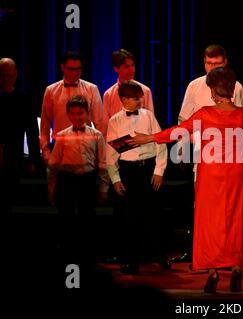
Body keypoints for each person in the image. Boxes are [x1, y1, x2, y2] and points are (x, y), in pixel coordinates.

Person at [128, 67, 243, 293]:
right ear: (232, 90)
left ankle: (213, 270)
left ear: (214, 92)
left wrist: (147, 138)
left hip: (211, 173)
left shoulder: (205, 113)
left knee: (209, 221)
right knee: (236, 217)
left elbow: (177, 131)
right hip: (235, 173)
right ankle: (235, 267)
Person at [173, 44, 243, 264]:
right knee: (202, 206)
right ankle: (201, 252)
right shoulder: (195, 86)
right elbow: (183, 120)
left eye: (216, 64)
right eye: (208, 63)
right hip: (203, 156)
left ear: (225, 63)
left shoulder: (237, 87)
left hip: (229, 157)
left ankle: (230, 255)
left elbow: (242, 123)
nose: (212, 68)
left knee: (229, 208)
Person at [106, 80, 169, 275]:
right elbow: (110, 153)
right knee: (129, 219)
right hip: (128, 172)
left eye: (140, 97)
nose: (140, 100)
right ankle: (131, 261)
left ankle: (160, 256)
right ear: (124, 99)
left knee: (154, 215)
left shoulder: (148, 116)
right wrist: (115, 179)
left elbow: (160, 141)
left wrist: (159, 171)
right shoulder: (114, 121)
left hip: (147, 170)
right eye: (136, 98)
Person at [47, 95, 109, 269]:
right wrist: (51, 187)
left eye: (80, 113)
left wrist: (103, 188)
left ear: (87, 113)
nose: (77, 117)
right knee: (66, 219)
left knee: (87, 219)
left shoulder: (97, 136)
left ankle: (87, 259)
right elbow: (53, 164)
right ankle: (67, 257)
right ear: (68, 115)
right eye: (73, 114)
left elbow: (103, 163)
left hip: (87, 181)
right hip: (67, 181)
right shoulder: (62, 135)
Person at [40, 51, 106, 164]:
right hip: (60, 146)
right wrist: (46, 153)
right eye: (71, 69)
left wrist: (101, 153)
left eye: (78, 69)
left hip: (86, 146)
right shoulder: (51, 91)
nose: (75, 73)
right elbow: (45, 125)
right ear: (63, 67)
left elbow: (100, 123)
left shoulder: (92, 89)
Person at [0, 57, 40, 214]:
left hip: (13, 155)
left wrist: (33, 159)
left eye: (9, 75)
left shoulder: (24, 100)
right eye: (2, 75)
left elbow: (32, 131)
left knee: (10, 198)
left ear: (15, 75)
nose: (6, 79)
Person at [103, 48, 154, 121]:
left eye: (132, 65)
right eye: (126, 67)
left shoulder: (145, 91)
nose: (131, 70)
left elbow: (151, 120)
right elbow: (105, 125)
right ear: (116, 69)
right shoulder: (108, 95)